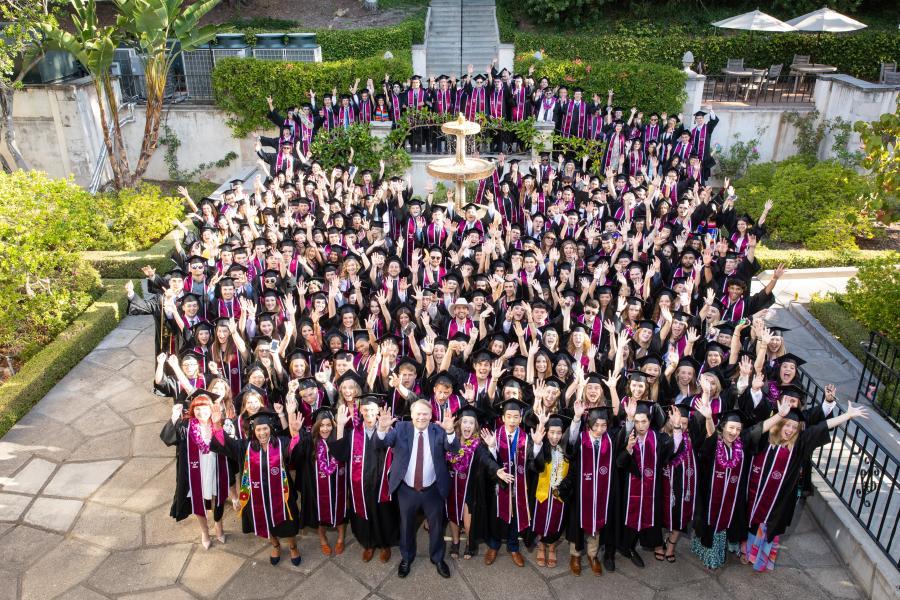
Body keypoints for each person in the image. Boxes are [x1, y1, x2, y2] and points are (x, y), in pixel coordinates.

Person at [375, 399, 459, 578]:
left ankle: (437, 558)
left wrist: (450, 430)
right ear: (412, 414)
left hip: (433, 489)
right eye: (418, 414)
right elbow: (381, 443)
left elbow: (453, 448)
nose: (421, 417)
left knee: (436, 527)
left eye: (425, 414)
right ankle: (406, 557)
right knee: (406, 526)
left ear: (431, 415)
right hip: (407, 490)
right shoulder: (401, 429)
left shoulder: (438, 430)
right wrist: (382, 429)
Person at [210, 407, 304, 566]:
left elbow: (295, 452)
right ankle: (275, 545)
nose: (262, 433)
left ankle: (293, 546)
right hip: (257, 497)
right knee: (265, 522)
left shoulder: (281, 443)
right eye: (259, 429)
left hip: (281, 496)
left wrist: (295, 434)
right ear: (254, 430)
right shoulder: (245, 447)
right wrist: (217, 425)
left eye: (265, 429)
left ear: (271, 429)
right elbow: (226, 444)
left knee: (287, 524)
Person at [330, 396, 399, 563]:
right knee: (363, 514)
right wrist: (339, 425)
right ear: (360, 411)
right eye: (366, 410)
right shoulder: (353, 434)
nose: (369, 413)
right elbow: (339, 454)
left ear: (378, 412)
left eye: (372, 410)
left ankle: (384, 544)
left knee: (384, 514)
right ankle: (368, 544)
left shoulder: (388, 430)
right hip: (359, 485)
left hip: (382, 484)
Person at [160, 390, 230, 548]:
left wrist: (220, 425)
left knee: (217, 499)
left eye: (204, 407)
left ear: (211, 408)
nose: (201, 411)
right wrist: (174, 418)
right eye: (197, 408)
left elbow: (230, 445)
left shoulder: (219, 422)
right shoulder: (186, 425)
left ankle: (218, 524)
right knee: (197, 500)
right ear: (192, 410)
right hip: (195, 470)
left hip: (216, 467)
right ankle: (205, 531)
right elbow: (168, 438)